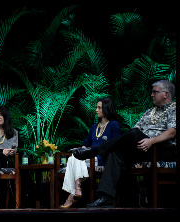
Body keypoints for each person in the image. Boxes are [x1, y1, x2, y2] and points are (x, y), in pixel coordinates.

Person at [73, 80, 176, 208]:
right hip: (142, 149)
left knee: (134, 134)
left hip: (161, 150)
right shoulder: (150, 112)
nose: (151, 95)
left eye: (155, 92)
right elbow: (135, 130)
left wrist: (151, 141)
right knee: (116, 153)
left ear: (165, 94)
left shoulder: (174, 109)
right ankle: (106, 197)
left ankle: (96, 150)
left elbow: (172, 133)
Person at [60, 98, 121, 208]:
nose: (96, 110)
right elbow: (85, 143)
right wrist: (82, 150)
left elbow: (115, 145)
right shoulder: (94, 127)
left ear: (106, 109)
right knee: (74, 156)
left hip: (102, 159)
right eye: (96, 107)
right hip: (90, 159)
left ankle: (72, 194)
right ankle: (77, 188)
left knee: (72, 160)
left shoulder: (114, 125)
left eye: (99, 107)